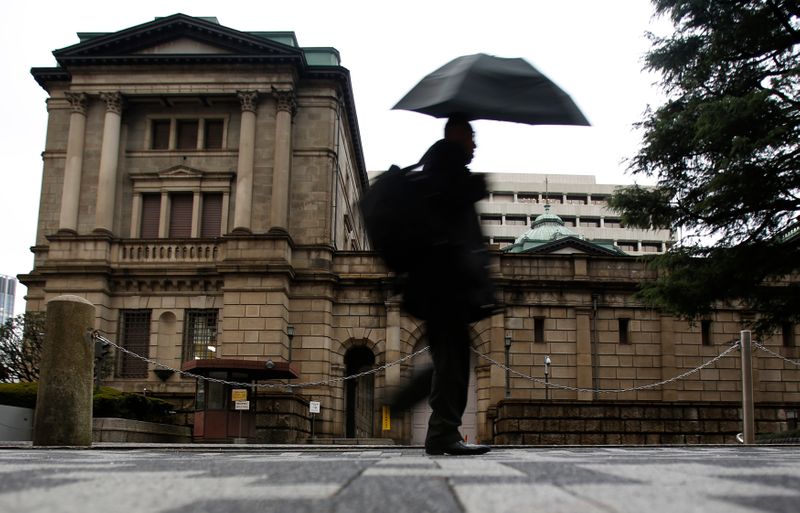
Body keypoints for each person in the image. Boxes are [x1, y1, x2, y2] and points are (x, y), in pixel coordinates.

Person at [393, 114, 496, 456]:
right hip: (444, 285)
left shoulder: (441, 169)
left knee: (449, 358)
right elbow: (446, 224)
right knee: (453, 361)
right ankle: (439, 430)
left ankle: (435, 426)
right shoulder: (444, 171)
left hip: (442, 283)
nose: (476, 144)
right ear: (456, 135)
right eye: (471, 136)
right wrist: (472, 188)